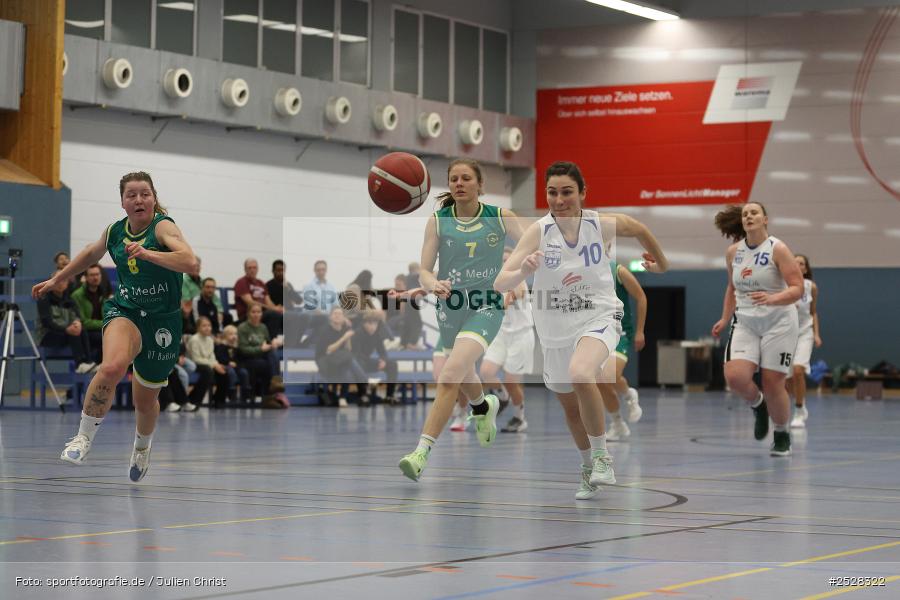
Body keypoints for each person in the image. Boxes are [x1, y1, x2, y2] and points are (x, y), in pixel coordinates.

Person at [495, 161, 668, 500]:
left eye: (567, 192)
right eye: (552, 192)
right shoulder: (538, 233)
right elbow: (502, 280)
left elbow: (640, 228)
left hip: (598, 315)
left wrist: (661, 263)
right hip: (554, 327)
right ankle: (588, 466)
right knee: (571, 409)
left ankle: (603, 456)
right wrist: (524, 270)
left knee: (581, 372)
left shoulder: (600, 225)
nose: (559, 199)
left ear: (582, 193)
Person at [33, 171, 199, 482]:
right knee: (111, 366)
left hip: (163, 321)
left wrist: (149, 253)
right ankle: (82, 437)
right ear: (122, 202)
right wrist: (58, 278)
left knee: (145, 402)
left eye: (145, 193)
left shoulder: (163, 226)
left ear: (153, 198)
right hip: (126, 311)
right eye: (131, 195)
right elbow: (89, 254)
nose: (139, 199)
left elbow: (190, 262)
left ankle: (142, 446)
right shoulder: (114, 232)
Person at [398, 158, 525, 482]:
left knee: (450, 374)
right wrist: (430, 283)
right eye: (453, 178)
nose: (458, 183)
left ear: (479, 185)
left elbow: (528, 246)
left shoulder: (500, 217)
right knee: (464, 369)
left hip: (486, 304)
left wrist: (520, 274)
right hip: (449, 306)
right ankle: (483, 407)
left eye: (466, 178)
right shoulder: (438, 221)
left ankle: (421, 452)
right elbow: (425, 270)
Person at [711, 202, 803, 457]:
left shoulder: (778, 248)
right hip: (746, 320)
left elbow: (798, 288)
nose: (749, 216)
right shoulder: (733, 253)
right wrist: (724, 317)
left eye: (754, 213)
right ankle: (758, 404)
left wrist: (774, 298)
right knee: (735, 377)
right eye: (745, 214)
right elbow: (731, 288)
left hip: (779, 321)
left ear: (765, 219)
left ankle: (782, 433)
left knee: (773, 382)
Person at [480, 247, 535, 434]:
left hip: (521, 334)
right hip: (501, 332)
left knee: (512, 381)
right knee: (486, 372)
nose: (503, 263)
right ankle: (503, 398)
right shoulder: (492, 281)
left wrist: (501, 300)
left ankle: (520, 417)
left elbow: (515, 294)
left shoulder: (518, 280)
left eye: (506, 260)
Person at [598, 260, 646, 441]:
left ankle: (628, 396)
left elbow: (641, 297)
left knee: (608, 375)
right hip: (595, 334)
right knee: (600, 382)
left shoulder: (618, 270)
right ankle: (618, 424)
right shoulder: (582, 273)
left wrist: (640, 330)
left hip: (619, 333)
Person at [36, 269, 95, 374]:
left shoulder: (69, 299)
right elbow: (47, 323)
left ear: (67, 283)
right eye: (57, 280)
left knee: (82, 329)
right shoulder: (44, 299)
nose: (60, 283)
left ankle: (88, 362)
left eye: (63, 280)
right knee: (73, 333)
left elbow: (78, 316)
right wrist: (66, 329)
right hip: (47, 335)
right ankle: (79, 364)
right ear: (51, 282)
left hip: (65, 333)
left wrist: (77, 323)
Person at [787, 254, 822, 428]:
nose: (797, 264)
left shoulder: (811, 287)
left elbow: (813, 312)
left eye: (801, 263)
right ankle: (782, 411)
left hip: (804, 333)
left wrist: (816, 334)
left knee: (798, 370)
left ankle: (799, 409)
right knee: (786, 378)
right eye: (794, 261)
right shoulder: (781, 285)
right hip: (785, 334)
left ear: (806, 268)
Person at [314, 306, 368, 407]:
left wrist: (348, 339)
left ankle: (343, 398)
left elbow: (348, 349)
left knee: (347, 363)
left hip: (340, 360)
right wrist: (344, 338)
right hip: (325, 361)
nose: (337, 316)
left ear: (344, 317)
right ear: (330, 317)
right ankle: (363, 383)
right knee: (348, 358)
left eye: (340, 314)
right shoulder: (325, 330)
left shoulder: (345, 329)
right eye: (335, 313)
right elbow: (329, 350)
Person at [237, 304, 284, 403]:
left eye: (258, 312)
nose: (256, 314)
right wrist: (260, 349)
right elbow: (243, 349)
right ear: (248, 313)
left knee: (272, 353)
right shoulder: (242, 328)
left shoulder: (263, 327)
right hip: (247, 359)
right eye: (253, 312)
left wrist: (274, 343)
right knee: (268, 365)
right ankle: (274, 387)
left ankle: (274, 385)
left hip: (261, 357)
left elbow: (267, 342)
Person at [353, 313, 399, 405]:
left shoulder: (377, 334)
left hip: (367, 362)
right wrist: (376, 361)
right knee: (360, 363)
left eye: (375, 324)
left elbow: (382, 352)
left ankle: (389, 395)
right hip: (356, 363)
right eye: (370, 324)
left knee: (392, 365)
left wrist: (383, 360)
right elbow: (356, 354)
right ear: (364, 324)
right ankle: (363, 395)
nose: (372, 327)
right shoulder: (357, 333)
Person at [70, 263, 112, 364]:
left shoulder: (104, 294)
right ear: (86, 277)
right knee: (107, 338)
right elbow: (83, 322)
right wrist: (104, 324)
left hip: (102, 331)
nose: (95, 277)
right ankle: (100, 366)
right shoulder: (77, 295)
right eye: (92, 275)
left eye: (97, 274)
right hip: (86, 333)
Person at [234, 258, 284, 338]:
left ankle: (292, 344)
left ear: (257, 269)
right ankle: (269, 343)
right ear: (245, 269)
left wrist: (278, 308)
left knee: (287, 316)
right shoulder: (241, 282)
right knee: (273, 314)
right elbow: (250, 303)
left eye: (254, 268)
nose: (252, 270)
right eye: (249, 268)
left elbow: (269, 302)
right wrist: (273, 309)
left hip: (264, 314)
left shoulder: (261, 283)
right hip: (249, 315)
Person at [185, 316, 219, 409]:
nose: (208, 328)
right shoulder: (194, 339)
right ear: (198, 328)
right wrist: (213, 365)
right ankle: (196, 400)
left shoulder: (210, 340)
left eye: (209, 325)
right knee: (208, 371)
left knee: (223, 370)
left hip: (207, 364)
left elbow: (212, 356)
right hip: (194, 364)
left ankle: (219, 401)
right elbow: (196, 359)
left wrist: (216, 364)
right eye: (204, 326)